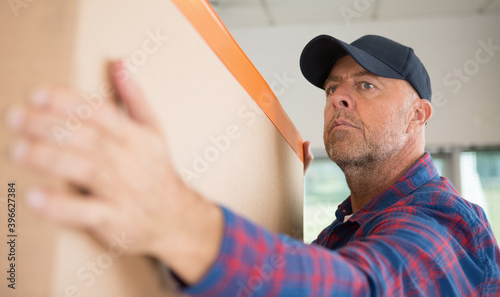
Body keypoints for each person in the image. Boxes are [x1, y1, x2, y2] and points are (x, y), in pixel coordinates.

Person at [5, 34, 500, 296]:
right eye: (332, 89)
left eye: (365, 85)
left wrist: (178, 219)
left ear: (419, 114)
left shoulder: (448, 223)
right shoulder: (339, 234)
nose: (338, 100)